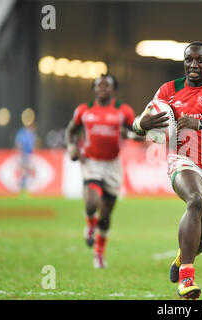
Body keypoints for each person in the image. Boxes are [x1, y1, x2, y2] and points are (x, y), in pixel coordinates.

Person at [132, 42, 202, 299]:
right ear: (184, 62)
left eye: (200, 60)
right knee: (195, 202)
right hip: (182, 159)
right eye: (189, 60)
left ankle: (181, 257)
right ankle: (186, 279)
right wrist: (142, 123)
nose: (193, 65)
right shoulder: (168, 90)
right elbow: (137, 126)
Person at [65, 74, 136, 269]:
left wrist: (128, 133)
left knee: (105, 216)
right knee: (90, 203)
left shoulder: (123, 110)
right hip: (91, 162)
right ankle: (89, 223)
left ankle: (99, 253)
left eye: (108, 85)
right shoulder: (84, 110)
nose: (103, 88)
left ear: (114, 89)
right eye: (99, 85)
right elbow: (71, 131)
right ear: (94, 89)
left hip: (113, 164)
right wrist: (72, 148)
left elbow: (138, 133)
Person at [15, 121, 37, 194]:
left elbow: (32, 146)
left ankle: (23, 186)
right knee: (25, 170)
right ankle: (21, 186)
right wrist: (21, 153)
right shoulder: (22, 133)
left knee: (27, 171)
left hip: (28, 155)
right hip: (24, 154)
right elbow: (19, 143)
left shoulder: (32, 134)